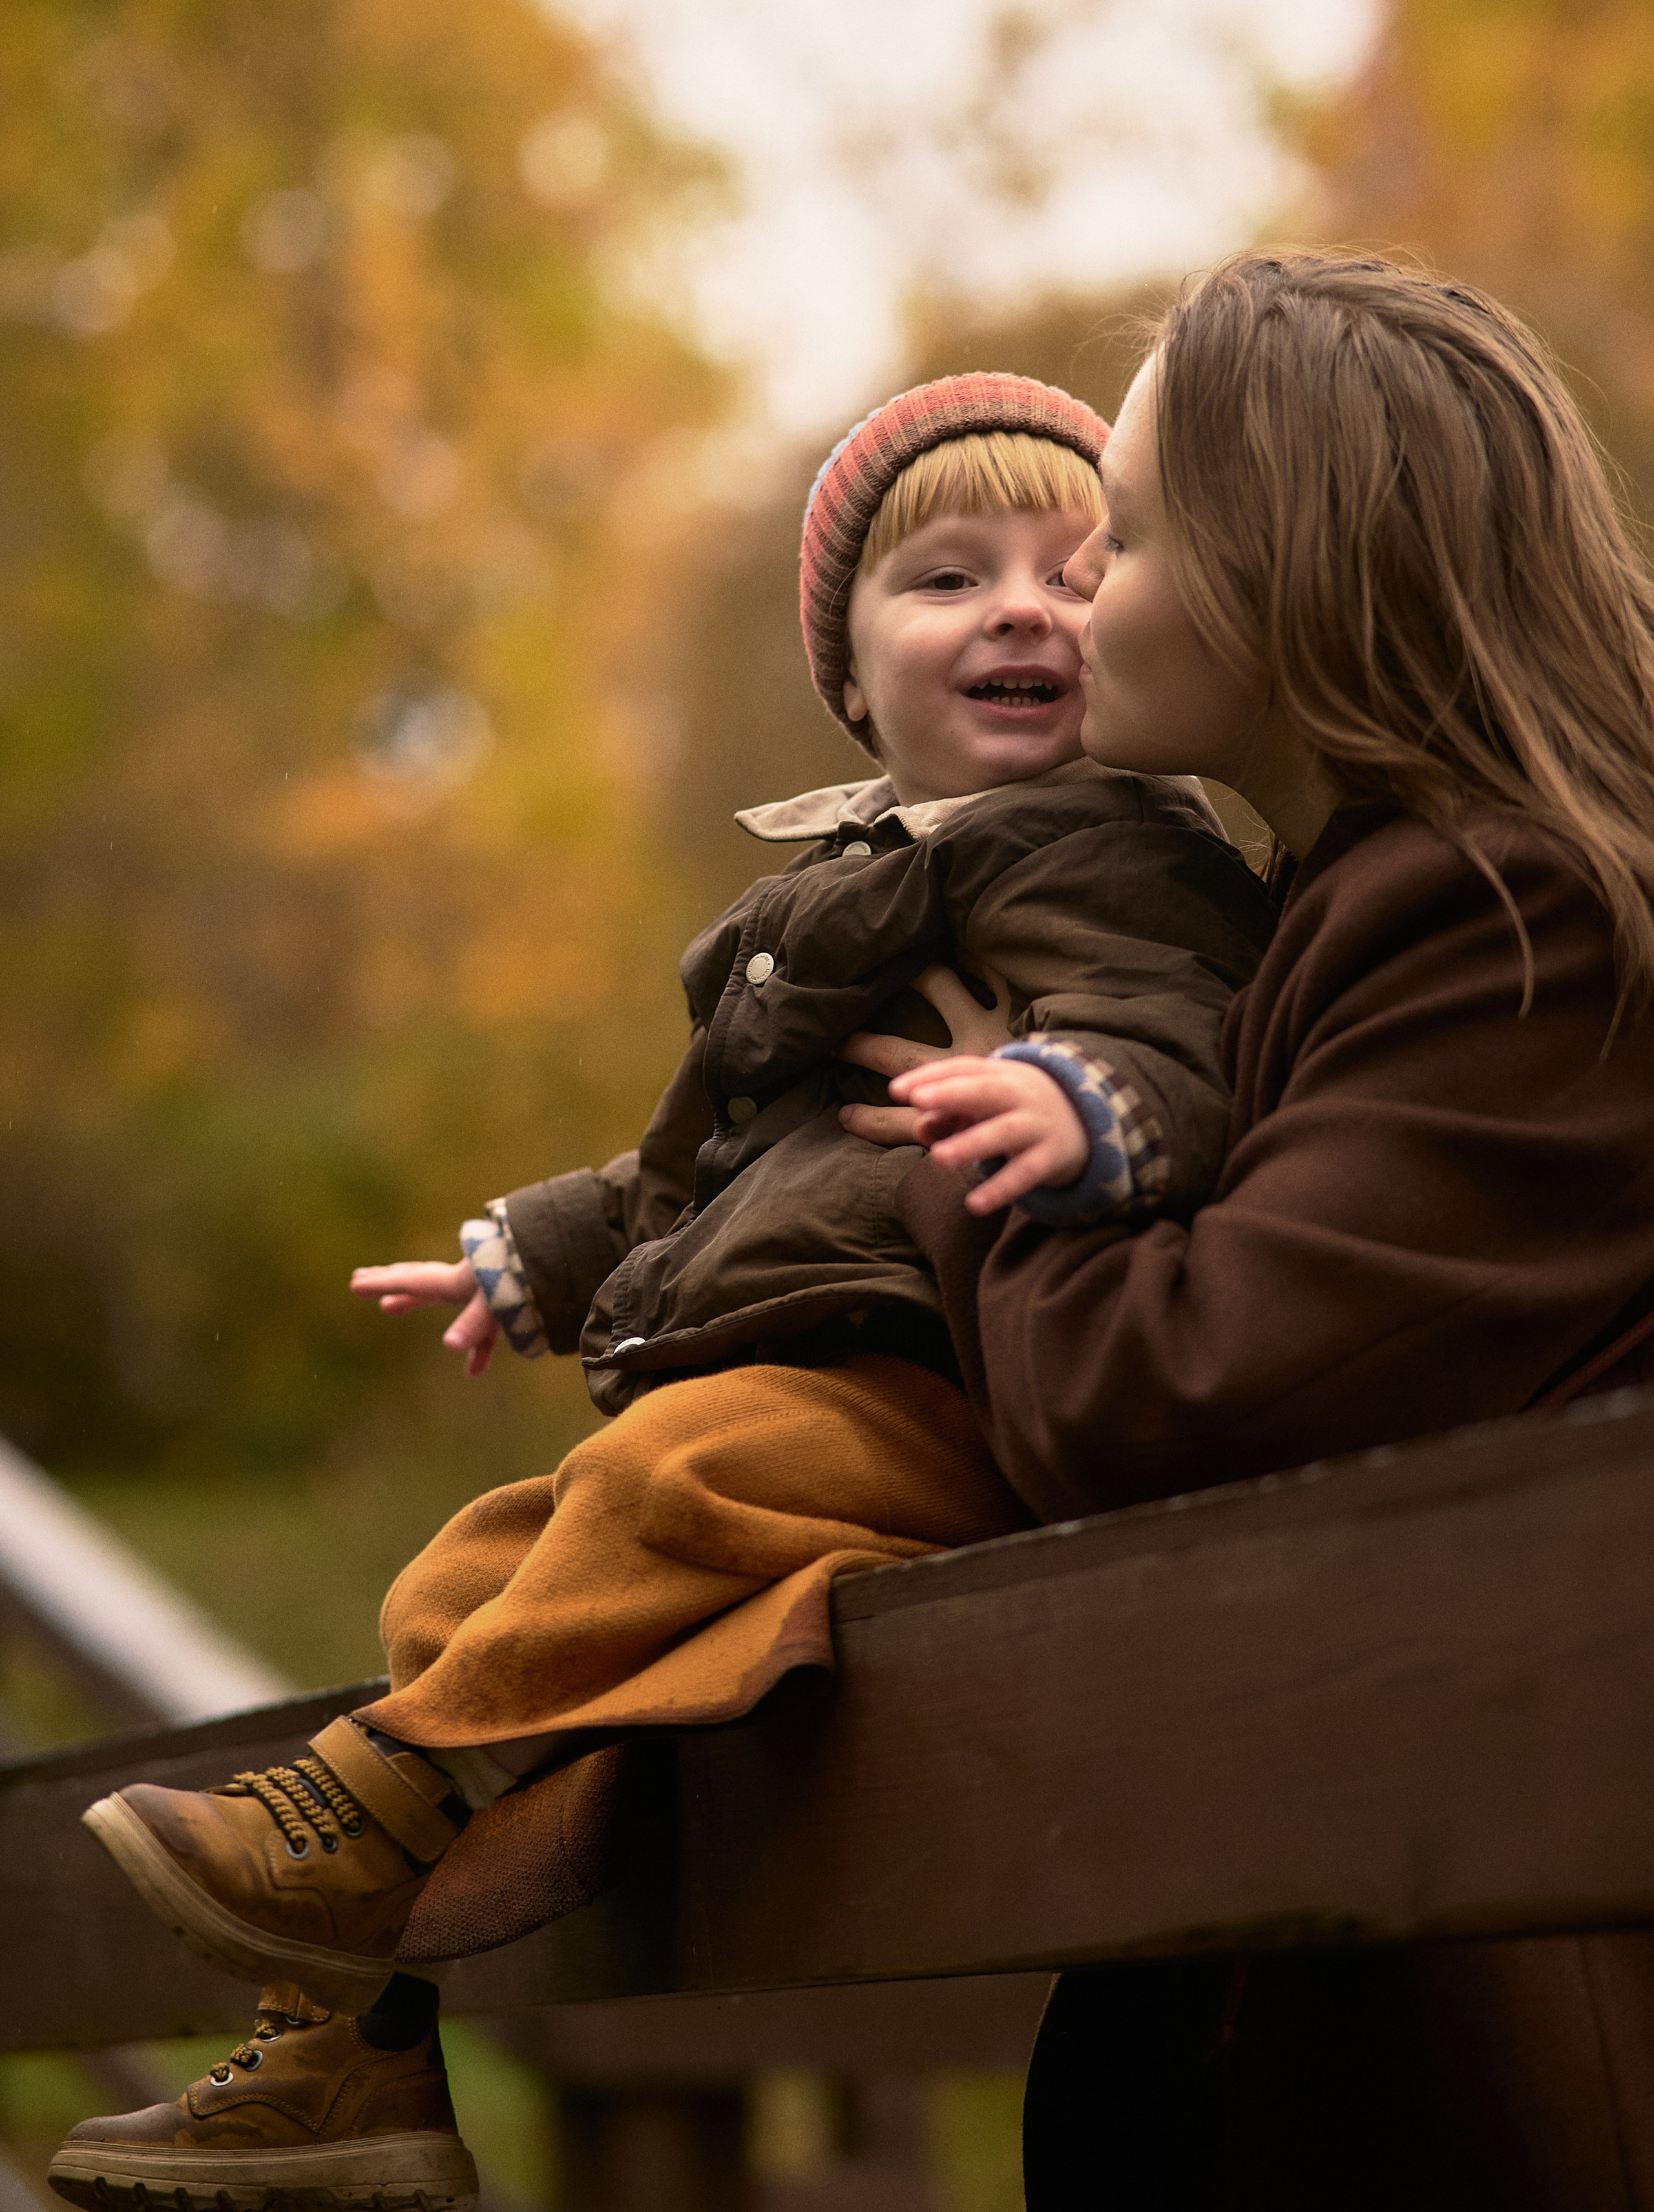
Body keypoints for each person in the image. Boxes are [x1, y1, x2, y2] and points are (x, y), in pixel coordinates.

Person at [50, 372, 1277, 2212]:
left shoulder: (1122, 848)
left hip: (944, 1385)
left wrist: (1077, 1100)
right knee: (456, 1577)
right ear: (854, 679)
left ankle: (361, 1818)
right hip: (783, 1381)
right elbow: (685, 1172)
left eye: (1076, 566)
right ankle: (343, 2063)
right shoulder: (831, 903)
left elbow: (1179, 1032)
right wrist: (536, 1251)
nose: (1025, 603)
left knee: (666, 1484)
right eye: (950, 577)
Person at [853, 253, 1654, 2209]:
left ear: (1286, 572)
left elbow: (1175, 1394)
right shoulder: (1357, 904)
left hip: (1481, 2044)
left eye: (1120, 537)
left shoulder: (1505, 923)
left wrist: (984, 1135)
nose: (1073, 594)